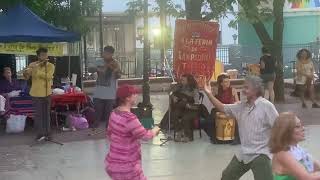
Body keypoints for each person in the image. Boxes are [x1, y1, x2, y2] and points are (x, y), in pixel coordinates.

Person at [203, 75, 279, 180]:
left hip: (261, 153)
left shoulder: (266, 106)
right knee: (227, 177)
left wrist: (279, 150)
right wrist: (209, 93)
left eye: (246, 88)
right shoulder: (241, 107)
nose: (243, 90)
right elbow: (222, 107)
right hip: (244, 152)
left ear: (256, 89)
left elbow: (279, 126)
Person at [105, 84, 160, 180]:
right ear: (127, 98)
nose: (136, 96)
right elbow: (145, 136)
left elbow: (109, 134)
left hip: (113, 163)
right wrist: (155, 130)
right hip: (128, 166)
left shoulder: (113, 113)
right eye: (134, 94)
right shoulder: (130, 118)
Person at [270, 112, 320, 180]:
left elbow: (315, 166)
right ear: (285, 131)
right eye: (297, 126)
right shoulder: (282, 153)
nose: (303, 128)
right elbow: (306, 178)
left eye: (301, 125)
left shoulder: (299, 150)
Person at [23, 47, 55, 140]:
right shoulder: (32, 64)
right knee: (38, 115)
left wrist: (38, 70)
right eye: (42, 55)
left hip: (47, 93)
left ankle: (48, 133)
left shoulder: (50, 66)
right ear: (38, 56)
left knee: (46, 115)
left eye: (46, 55)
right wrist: (26, 72)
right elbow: (26, 78)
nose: (44, 57)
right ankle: (40, 133)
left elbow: (48, 77)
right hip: (36, 93)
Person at [159, 74, 200, 142]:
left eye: (183, 80)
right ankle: (179, 131)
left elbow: (196, 103)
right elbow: (170, 92)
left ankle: (187, 136)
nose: (181, 81)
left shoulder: (194, 90)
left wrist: (189, 105)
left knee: (184, 115)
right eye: (181, 80)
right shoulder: (179, 86)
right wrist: (173, 97)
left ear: (189, 81)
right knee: (173, 114)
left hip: (190, 108)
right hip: (181, 108)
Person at [202, 74, 240, 145]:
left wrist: (233, 108)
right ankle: (214, 138)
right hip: (218, 109)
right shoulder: (216, 90)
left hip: (229, 108)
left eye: (228, 81)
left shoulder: (233, 90)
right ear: (221, 83)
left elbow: (237, 102)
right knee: (209, 120)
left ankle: (237, 138)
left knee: (237, 117)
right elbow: (213, 102)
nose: (228, 83)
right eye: (225, 82)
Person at [89, 46, 121, 128]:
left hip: (110, 92)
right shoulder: (99, 61)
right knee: (97, 110)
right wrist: (98, 69)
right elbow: (89, 69)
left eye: (107, 53)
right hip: (99, 91)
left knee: (108, 112)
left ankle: (109, 127)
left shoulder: (115, 63)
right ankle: (95, 125)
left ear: (111, 54)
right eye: (104, 52)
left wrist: (115, 71)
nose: (105, 54)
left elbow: (119, 76)